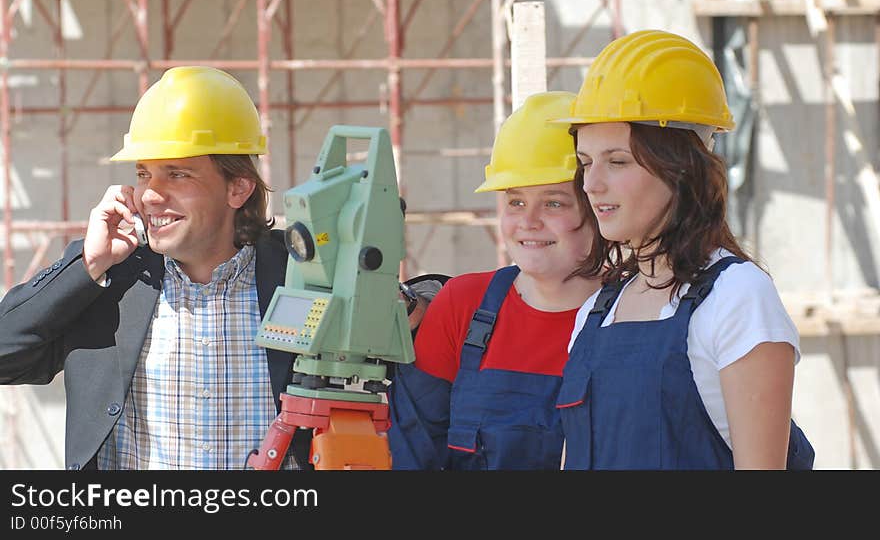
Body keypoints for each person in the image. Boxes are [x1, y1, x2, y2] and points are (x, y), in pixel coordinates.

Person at [0, 65, 427, 471]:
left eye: (177, 174)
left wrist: (413, 301)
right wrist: (87, 264)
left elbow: (433, 317)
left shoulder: (303, 272)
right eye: (145, 174)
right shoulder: (113, 282)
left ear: (238, 187)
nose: (150, 195)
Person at [554, 29, 814, 469]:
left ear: (681, 169)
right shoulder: (597, 310)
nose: (593, 184)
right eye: (586, 163)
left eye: (617, 161)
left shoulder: (737, 299)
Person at [388, 91, 602, 470]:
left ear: (599, 208)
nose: (528, 222)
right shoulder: (464, 305)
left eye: (554, 202)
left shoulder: (633, 317)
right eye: (516, 202)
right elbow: (411, 455)